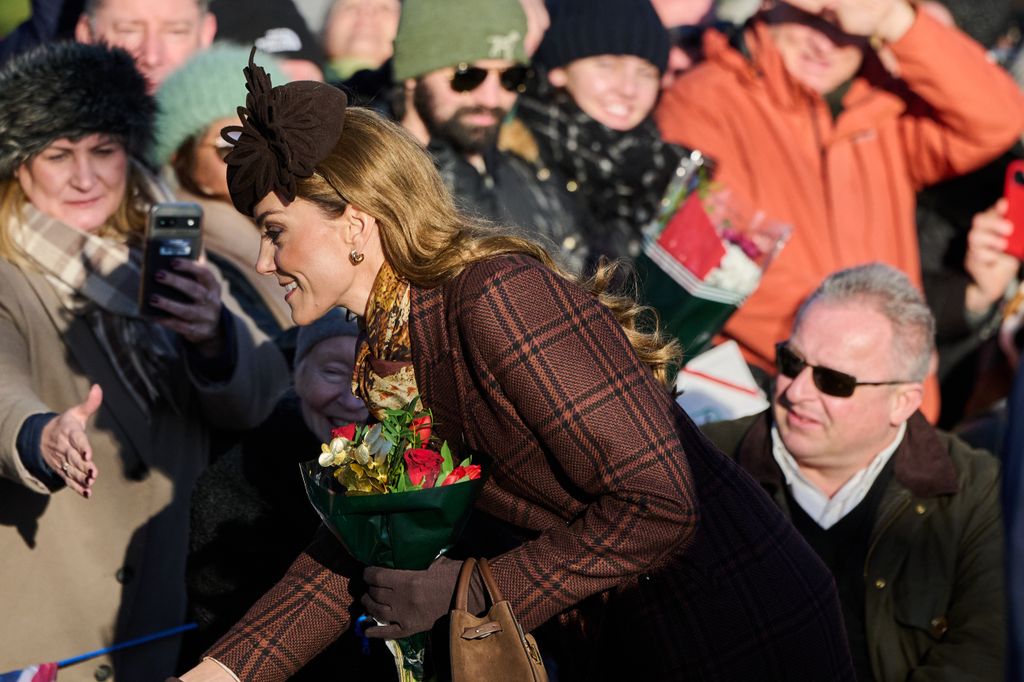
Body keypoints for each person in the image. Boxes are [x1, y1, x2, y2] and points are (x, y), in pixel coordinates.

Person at [172, 51, 855, 681]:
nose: (264, 263)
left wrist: (472, 590)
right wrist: (219, 674)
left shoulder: (495, 297)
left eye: (274, 231)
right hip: (632, 641)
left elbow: (660, 505)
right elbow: (355, 544)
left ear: (355, 223)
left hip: (739, 629)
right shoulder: (387, 349)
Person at [0, 42, 289, 680]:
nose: (85, 177)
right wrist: (40, 434)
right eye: (58, 155)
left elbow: (262, 394)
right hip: (44, 638)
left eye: (102, 150)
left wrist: (214, 337)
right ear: (20, 167)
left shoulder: (165, 256)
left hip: (163, 622)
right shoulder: (8, 277)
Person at [655, 0, 1024, 376]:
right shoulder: (703, 100)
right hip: (778, 384)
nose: (825, 44)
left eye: (846, 24)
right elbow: (717, 266)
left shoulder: (880, 105)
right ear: (769, 5)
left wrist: (894, 19)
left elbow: (997, 120)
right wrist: (864, 354)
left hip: (892, 397)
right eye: (810, 19)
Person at [702, 263, 1005, 680]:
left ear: (902, 401)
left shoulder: (976, 492)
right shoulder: (706, 464)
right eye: (791, 361)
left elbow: (985, 654)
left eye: (834, 381)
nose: (797, 390)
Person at [180, 309, 390, 680]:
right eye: (332, 372)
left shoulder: (432, 471)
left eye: (371, 377)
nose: (355, 399)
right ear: (297, 373)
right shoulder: (239, 480)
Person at [390, 0, 589, 271]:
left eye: (512, 77)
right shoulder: (371, 183)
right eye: (467, 75)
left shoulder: (527, 164)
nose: (492, 98)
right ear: (413, 74)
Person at [513, 0, 685, 262]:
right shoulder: (514, 152)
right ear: (559, 70)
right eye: (606, 65)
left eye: (646, 73)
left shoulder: (664, 174)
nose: (628, 89)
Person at [154, 43, 295, 341]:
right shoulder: (186, 251)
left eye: (269, 142)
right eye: (231, 148)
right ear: (180, 158)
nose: (254, 161)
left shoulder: (296, 224)